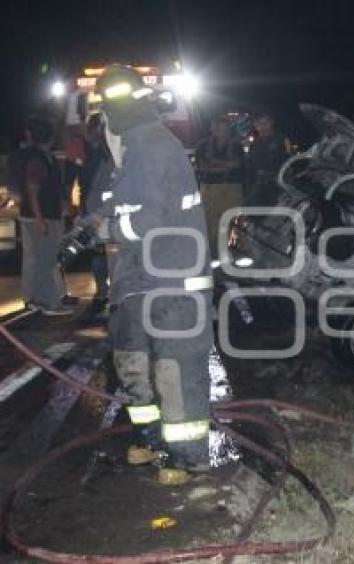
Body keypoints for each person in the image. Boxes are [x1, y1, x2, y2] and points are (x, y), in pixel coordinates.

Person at [92, 65, 214, 484]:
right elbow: (105, 205)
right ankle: (151, 439)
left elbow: (152, 219)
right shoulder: (123, 157)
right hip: (136, 283)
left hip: (173, 282)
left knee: (174, 370)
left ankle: (189, 456)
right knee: (133, 365)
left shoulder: (155, 145)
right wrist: (87, 227)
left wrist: (108, 230)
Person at [12, 116, 74, 316]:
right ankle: (49, 302)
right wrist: (40, 218)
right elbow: (33, 189)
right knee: (46, 260)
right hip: (41, 216)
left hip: (42, 215)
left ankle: (38, 300)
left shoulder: (44, 157)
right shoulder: (38, 159)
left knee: (40, 259)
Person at [77, 114, 113, 324]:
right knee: (98, 252)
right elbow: (84, 181)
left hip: (106, 210)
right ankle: (102, 293)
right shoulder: (89, 151)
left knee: (110, 252)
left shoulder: (109, 151)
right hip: (94, 209)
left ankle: (109, 294)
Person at [196, 116, 244, 258]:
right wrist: (225, 165)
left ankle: (235, 253)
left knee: (233, 222)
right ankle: (212, 255)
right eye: (218, 128)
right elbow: (203, 167)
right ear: (212, 129)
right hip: (209, 189)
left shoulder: (236, 145)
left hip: (231, 189)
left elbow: (236, 164)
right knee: (209, 223)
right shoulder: (202, 145)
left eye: (225, 128)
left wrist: (214, 162)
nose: (222, 131)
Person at [245, 112, 291, 207]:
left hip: (278, 182)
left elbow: (289, 160)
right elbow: (250, 164)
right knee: (252, 209)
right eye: (259, 124)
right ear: (255, 126)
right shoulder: (254, 143)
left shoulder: (282, 139)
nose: (262, 126)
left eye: (265, 123)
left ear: (271, 122)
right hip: (259, 182)